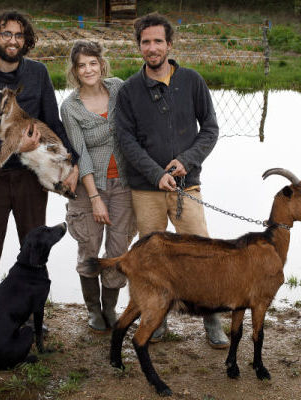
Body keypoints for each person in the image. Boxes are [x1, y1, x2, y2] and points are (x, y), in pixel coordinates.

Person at [0, 10, 79, 343]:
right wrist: (15, 144)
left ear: (27, 40)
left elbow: (53, 120)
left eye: (19, 35)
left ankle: (26, 316)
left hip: (30, 177)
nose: (13, 40)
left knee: (34, 246)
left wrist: (72, 161)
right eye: (7, 34)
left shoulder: (37, 73)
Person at [115, 13, 229, 349]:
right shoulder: (129, 91)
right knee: (152, 256)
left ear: (169, 44)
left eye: (157, 41)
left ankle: (212, 320)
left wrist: (186, 161)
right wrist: (156, 173)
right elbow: (126, 140)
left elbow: (210, 129)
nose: (152, 47)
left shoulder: (192, 81)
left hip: (187, 186)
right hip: (146, 189)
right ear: (139, 46)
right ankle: (156, 318)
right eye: (146, 42)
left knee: (202, 253)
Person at [61, 40, 136, 333]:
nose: (88, 69)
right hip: (89, 188)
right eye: (82, 65)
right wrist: (94, 198)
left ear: (102, 64)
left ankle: (109, 309)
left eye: (93, 63)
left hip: (124, 185)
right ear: (75, 71)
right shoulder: (71, 107)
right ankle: (93, 309)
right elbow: (81, 153)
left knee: (118, 250)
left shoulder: (118, 88)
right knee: (90, 246)